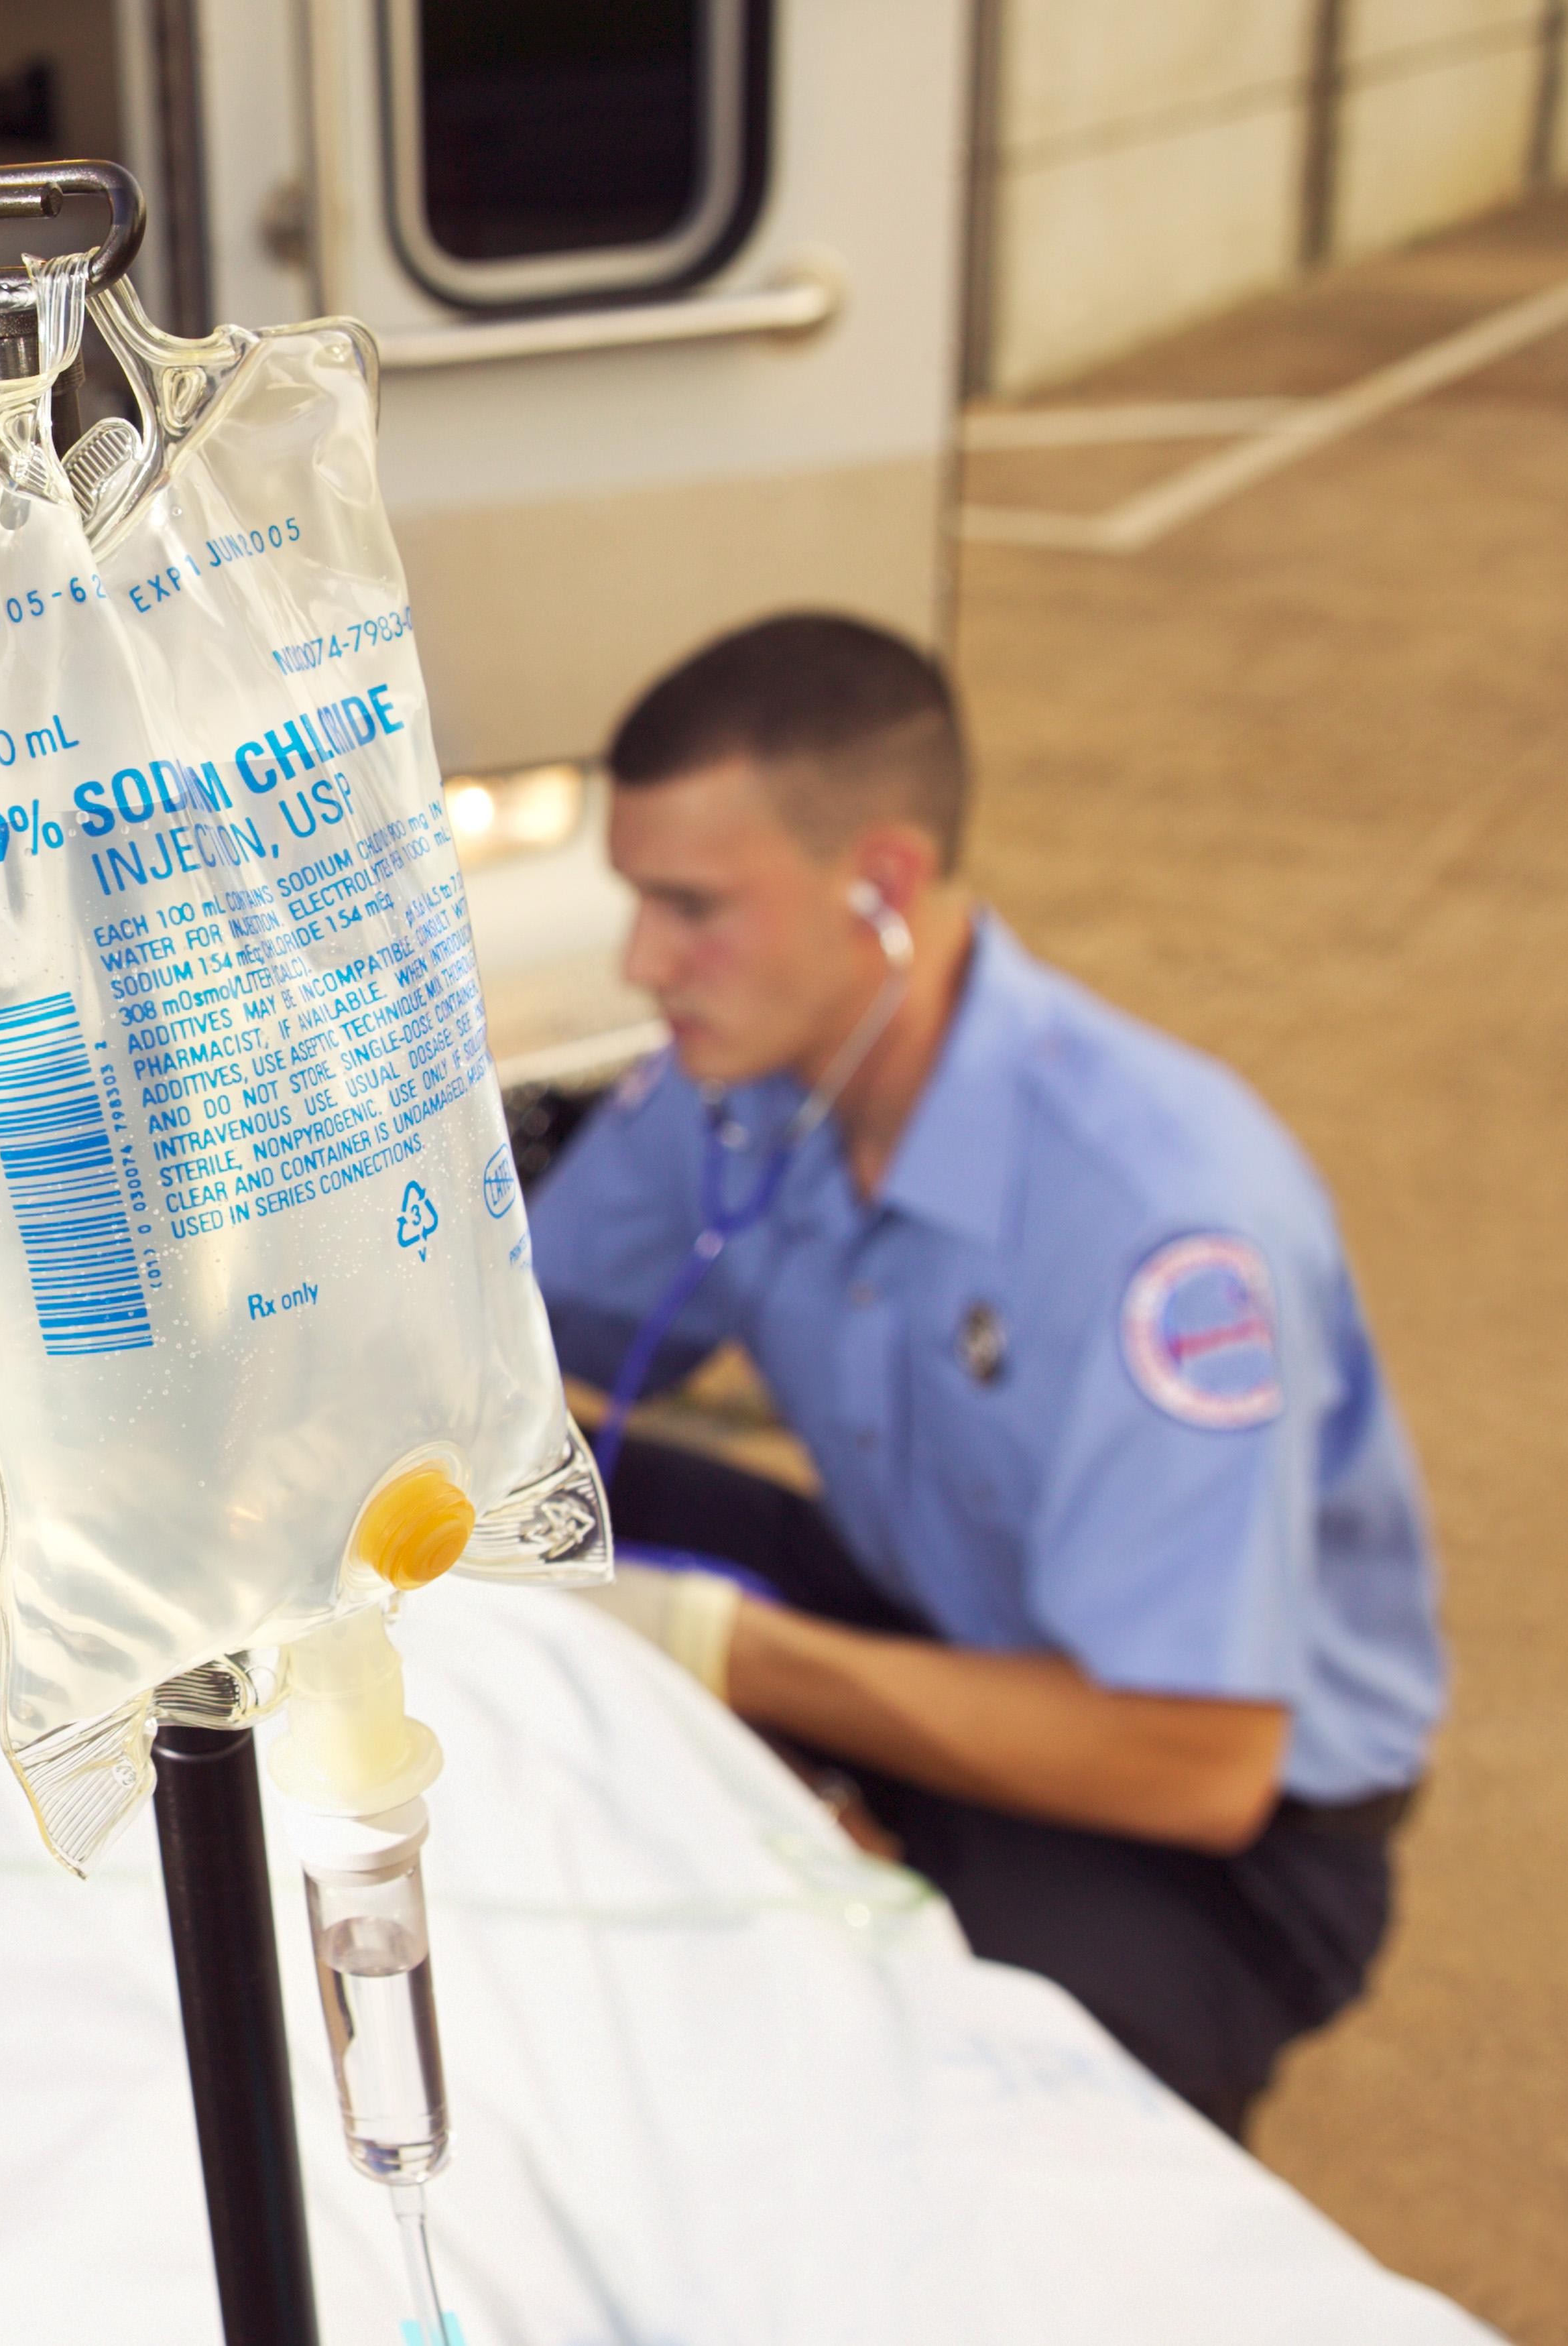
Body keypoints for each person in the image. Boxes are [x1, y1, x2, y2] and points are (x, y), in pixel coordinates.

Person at [530, 613, 1440, 2135]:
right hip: (937, 1623)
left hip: (1215, 1837)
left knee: (912, 2097)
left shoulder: (1158, 1224)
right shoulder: (741, 1080)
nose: (642, 963)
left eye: (692, 908)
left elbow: (1200, 1760)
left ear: (880, 888)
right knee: (530, 1497)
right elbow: (516, 1339)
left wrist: (717, 1650)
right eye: (637, 900)